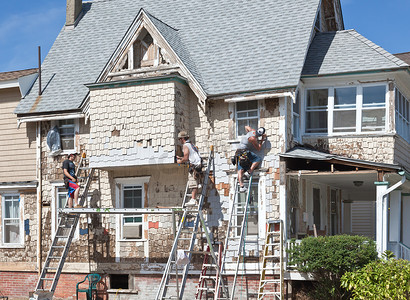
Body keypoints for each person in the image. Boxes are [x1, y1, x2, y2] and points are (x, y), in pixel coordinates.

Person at [236, 126, 266, 192]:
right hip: (244, 152)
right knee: (257, 159)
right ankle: (249, 171)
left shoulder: (252, 130)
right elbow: (258, 148)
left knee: (240, 169)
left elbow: (246, 126)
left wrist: (248, 133)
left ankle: (241, 186)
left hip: (238, 151)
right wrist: (262, 140)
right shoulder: (253, 139)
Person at [176, 131, 203, 207]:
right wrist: (181, 158)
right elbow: (191, 156)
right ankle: (194, 199)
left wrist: (180, 161)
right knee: (196, 183)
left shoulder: (185, 145)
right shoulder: (191, 145)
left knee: (193, 184)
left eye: (179, 139)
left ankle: (193, 199)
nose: (179, 141)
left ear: (182, 138)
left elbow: (186, 158)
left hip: (194, 166)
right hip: (198, 165)